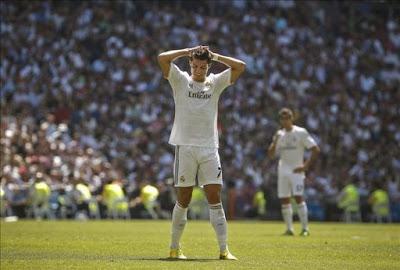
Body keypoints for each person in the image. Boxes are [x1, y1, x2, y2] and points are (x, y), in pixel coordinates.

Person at [158, 45, 246, 260]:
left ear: (208, 66)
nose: (198, 70)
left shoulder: (215, 82)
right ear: (190, 64)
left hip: (209, 148)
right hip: (185, 147)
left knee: (215, 197)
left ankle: (224, 250)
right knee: (184, 198)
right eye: (195, 66)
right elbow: (162, 58)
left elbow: (240, 67)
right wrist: (187, 50)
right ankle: (174, 247)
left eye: (203, 67)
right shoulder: (180, 80)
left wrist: (215, 55)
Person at [268, 108, 320, 236]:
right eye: (282, 118)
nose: (285, 121)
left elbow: (315, 149)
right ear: (280, 120)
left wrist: (305, 166)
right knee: (284, 199)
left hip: (296, 170)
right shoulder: (279, 134)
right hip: (283, 170)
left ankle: (305, 228)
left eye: (287, 118)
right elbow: (270, 155)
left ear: (292, 118)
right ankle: (289, 229)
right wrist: (274, 141)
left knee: (298, 197)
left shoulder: (300, 132)